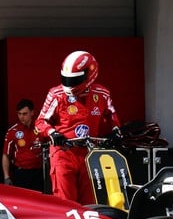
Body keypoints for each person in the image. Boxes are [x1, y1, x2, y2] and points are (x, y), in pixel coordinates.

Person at [35, 50, 122, 204]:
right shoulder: (56, 94)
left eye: (74, 79)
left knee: (90, 203)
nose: (69, 83)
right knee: (66, 203)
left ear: (90, 74)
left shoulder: (102, 94)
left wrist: (115, 133)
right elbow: (40, 122)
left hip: (90, 155)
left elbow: (114, 120)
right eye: (66, 78)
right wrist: (53, 133)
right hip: (64, 153)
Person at [1, 99, 45, 192]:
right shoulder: (12, 131)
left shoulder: (41, 128)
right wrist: (6, 177)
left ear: (32, 112)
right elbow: (6, 155)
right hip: (21, 173)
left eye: (25, 114)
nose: (21, 117)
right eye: (19, 114)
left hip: (39, 173)